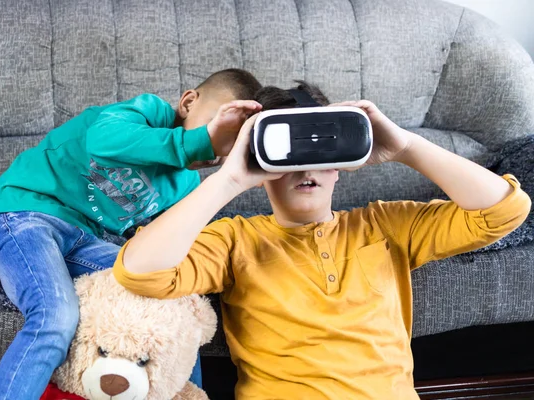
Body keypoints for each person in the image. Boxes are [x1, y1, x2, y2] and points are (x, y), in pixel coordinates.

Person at [112, 82, 531, 399]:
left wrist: (406, 146)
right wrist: (230, 179)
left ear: (341, 165)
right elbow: (139, 271)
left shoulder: (385, 224)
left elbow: (505, 211)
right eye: (289, 153)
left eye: (319, 150)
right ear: (262, 168)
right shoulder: (235, 239)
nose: (305, 166)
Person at [0, 68, 263, 400]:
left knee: (176, 300)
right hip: (24, 213)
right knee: (56, 316)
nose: (219, 148)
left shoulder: (186, 183)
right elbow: (103, 139)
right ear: (188, 102)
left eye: (233, 139)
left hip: (84, 238)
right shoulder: (148, 112)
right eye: (219, 124)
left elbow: (157, 246)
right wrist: (197, 141)